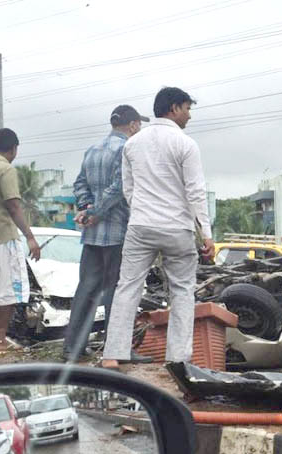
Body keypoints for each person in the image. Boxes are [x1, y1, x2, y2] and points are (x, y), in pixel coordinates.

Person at [102, 87, 214, 370]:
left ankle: (112, 354)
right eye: (187, 108)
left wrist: (143, 210)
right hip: (177, 229)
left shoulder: (133, 144)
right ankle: (178, 359)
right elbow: (196, 193)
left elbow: (129, 190)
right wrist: (207, 236)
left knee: (127, 286)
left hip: (140, 226)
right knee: (182, 291)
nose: (189, 115)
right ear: (174, 108)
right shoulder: (186, 144)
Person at [63, 105, 152, 363]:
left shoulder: (92, 150)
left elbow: (79, 183)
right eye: (139, 126)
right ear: (133, 125)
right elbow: (119, 187)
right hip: (117, 231)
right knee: (119, 291)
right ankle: (118, 350)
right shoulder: (127, 150)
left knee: (87, 289)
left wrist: (86, 209)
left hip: (92, 235)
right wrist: (97, 212)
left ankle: (73, 348)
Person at [0, 128, 40, 354]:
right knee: (10, 292)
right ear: (13, 148)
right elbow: (13, 205)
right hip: (4, 236)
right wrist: (30, 236)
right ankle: (0, 339)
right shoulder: (5, 169)